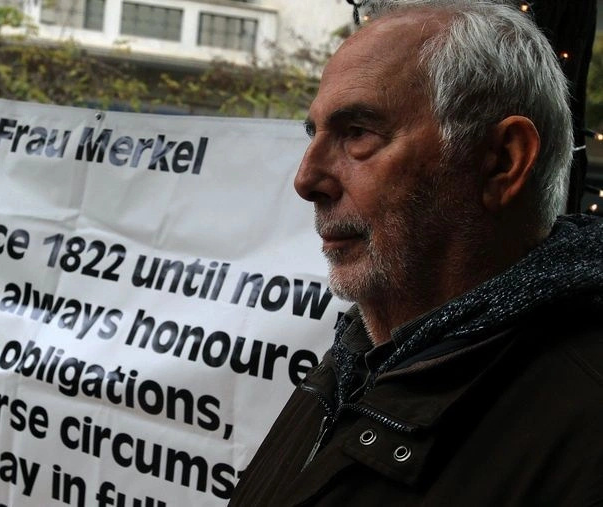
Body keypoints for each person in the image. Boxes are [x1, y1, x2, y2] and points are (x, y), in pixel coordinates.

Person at [229, 0, 603, 505]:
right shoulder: (357, 358)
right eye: (313, 133)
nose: (306, 179)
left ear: (503, 161)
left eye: (357, 133)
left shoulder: (584, 427)